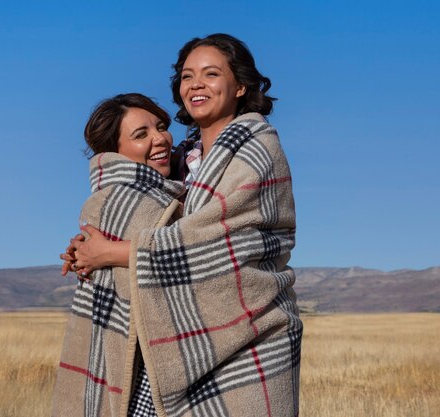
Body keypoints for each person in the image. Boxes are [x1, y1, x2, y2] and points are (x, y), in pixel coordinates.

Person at [63, 34, 302, 417]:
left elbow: (227, 246)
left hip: (252, 338)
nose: (196, 84)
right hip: (174, 349)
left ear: (240, 85)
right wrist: (88, 245)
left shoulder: (257, 150)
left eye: (211, 74)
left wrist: (110, 252)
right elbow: (147, 217)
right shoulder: (184, 162)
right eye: (188, 76)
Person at [52, 93, 185, 417]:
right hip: (146, 372)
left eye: (161, 127)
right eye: (141, 135)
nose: (161, 139)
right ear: (115, 153)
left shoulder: (161, 191)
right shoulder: (130, 201)